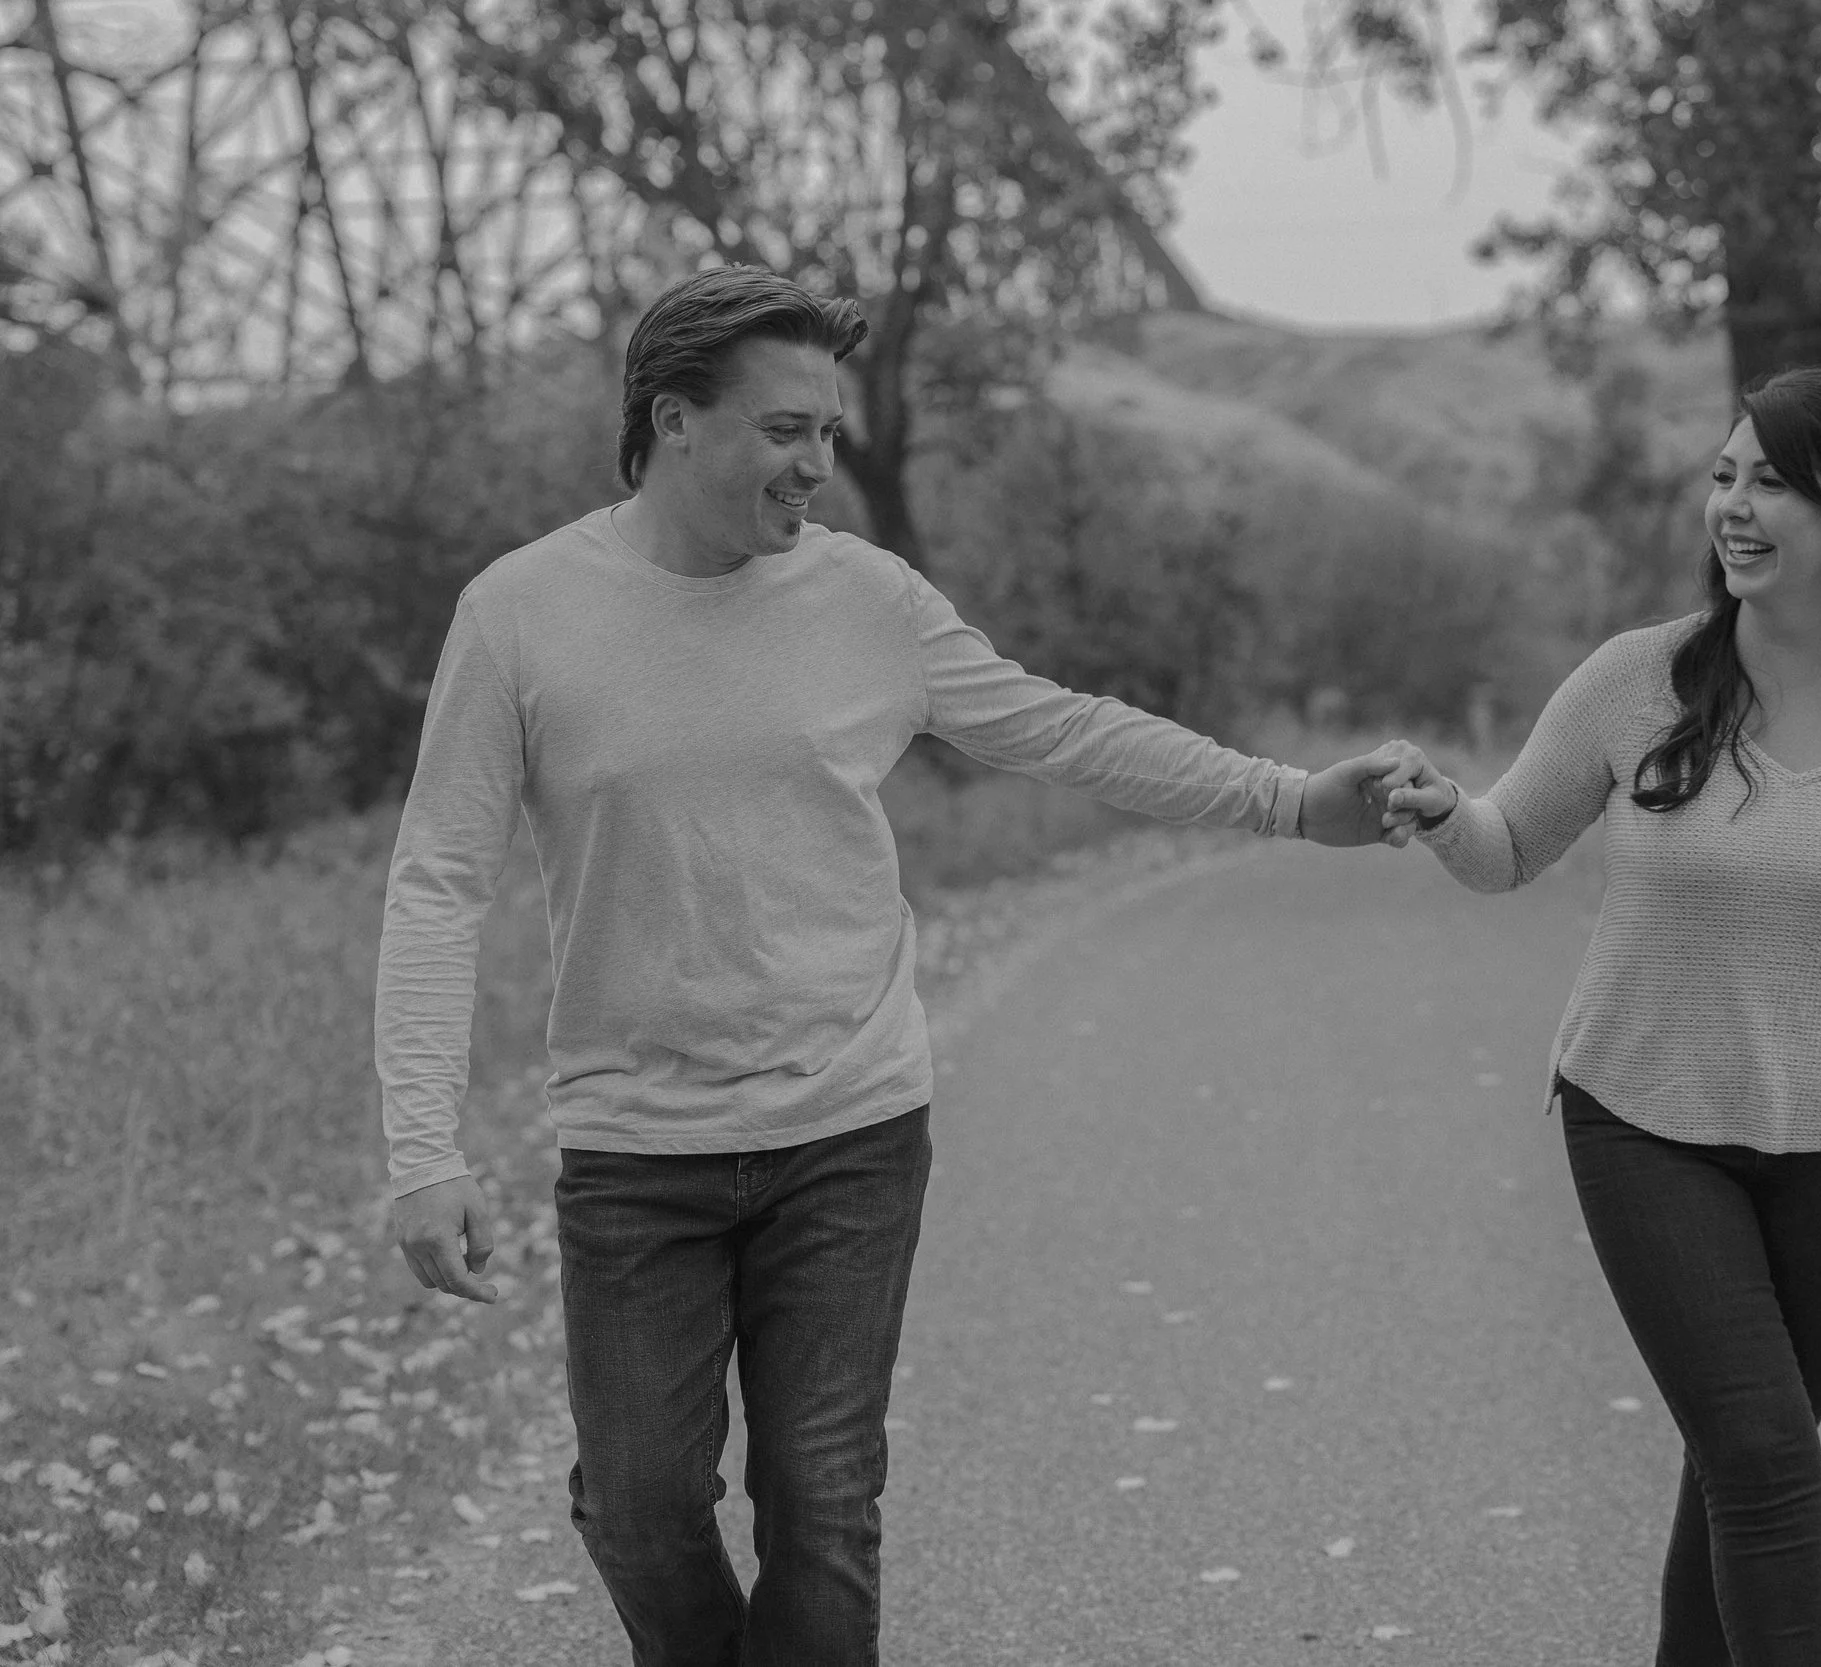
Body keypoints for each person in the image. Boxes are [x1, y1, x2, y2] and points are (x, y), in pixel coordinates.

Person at [373, 265, 1419, 1667]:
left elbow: (1064, 729)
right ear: (674, 419)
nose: (821, 465)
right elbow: (440, 878)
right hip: (637, 1142)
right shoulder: (519, 612)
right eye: (788, 430)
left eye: (828, 430)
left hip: (849, 1129)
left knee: (822, 1500)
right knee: (639, 1505)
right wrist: (418, 1144)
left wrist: (1295, 799)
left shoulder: (867, 599)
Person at [1384, 365, 1821, 1667]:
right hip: (1646, 1119)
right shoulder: (1643, 682)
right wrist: (1446, 810)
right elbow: (1511, 842)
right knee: (1764, 1459)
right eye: (1725, 474)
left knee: (1740, 1470)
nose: (1733, 506)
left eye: (1773, 481)